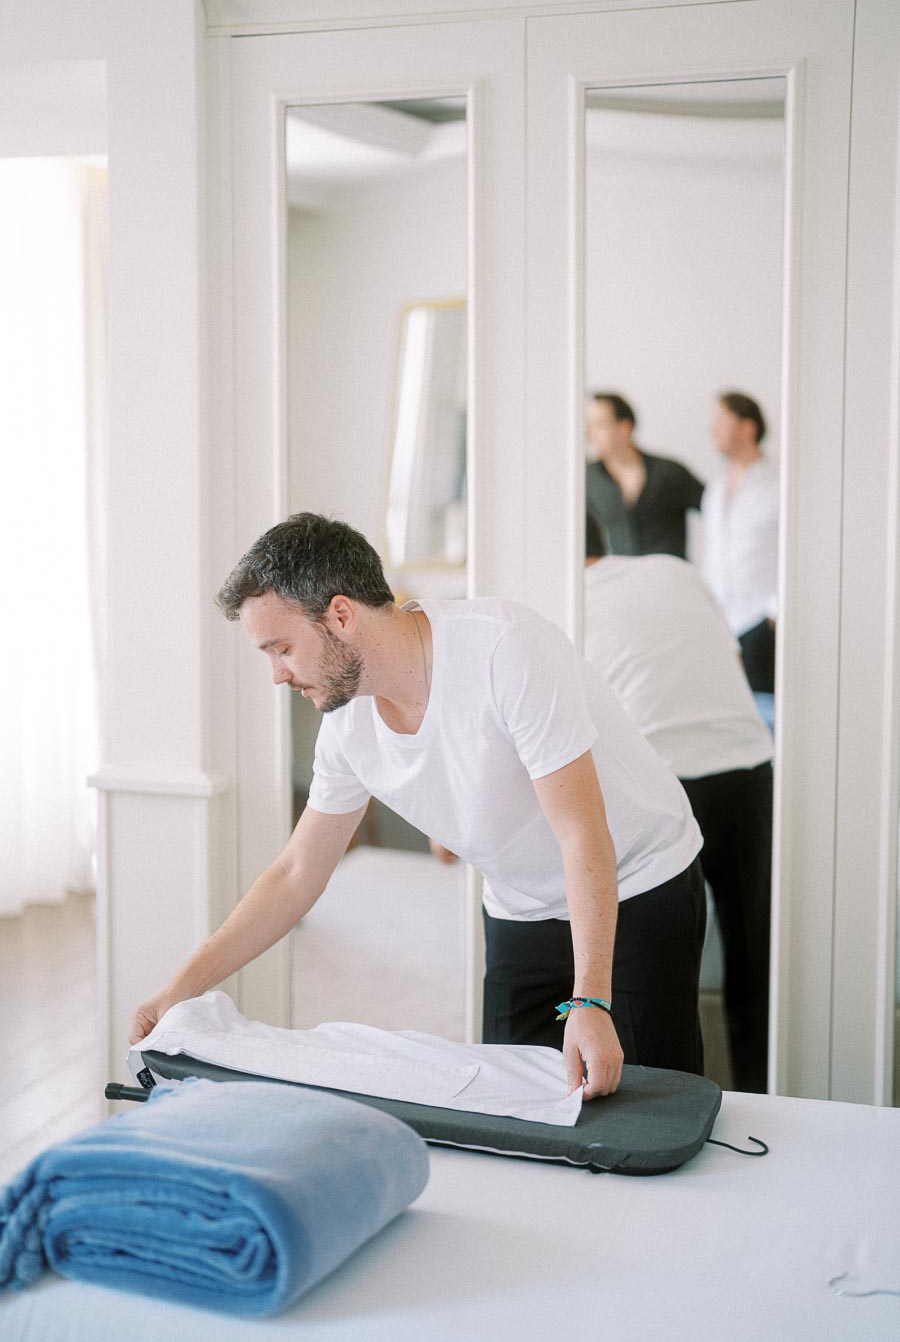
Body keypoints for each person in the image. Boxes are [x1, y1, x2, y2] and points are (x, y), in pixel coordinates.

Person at [130, 512, 707, 1099]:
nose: (277, 675)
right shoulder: (348, 726)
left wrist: (590, 998)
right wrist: (181, 989)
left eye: (282, 648)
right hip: (520, 904)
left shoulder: (506, 648)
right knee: (512, 1104)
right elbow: (296, 874)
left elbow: (583, 835)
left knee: (649, 1110)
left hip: (636, 881)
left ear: (340, 615)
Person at [583, 514, 773, 1092]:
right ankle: (763, 1094)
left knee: (659, 969)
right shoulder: (677, 571)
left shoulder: (564, 604)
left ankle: (669, 1105)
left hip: (666, 783)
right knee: (755, 963)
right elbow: (733, 666)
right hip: (749, 765)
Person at [701, 392, 779, 716]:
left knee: (768, 715)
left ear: (747, 427)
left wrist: (775, 615)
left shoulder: (781, 484)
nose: (713, 430)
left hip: (762, 622)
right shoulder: (715, 488)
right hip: (721, 625)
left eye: (722, 422)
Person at [585, 392, 704, 558]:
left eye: (600, 425)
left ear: (625, 428)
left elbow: (716, 511)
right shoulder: (589, 479)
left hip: (669, 579)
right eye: (589, 427)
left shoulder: (669, 472)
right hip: (621, 580)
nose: (591, 435)